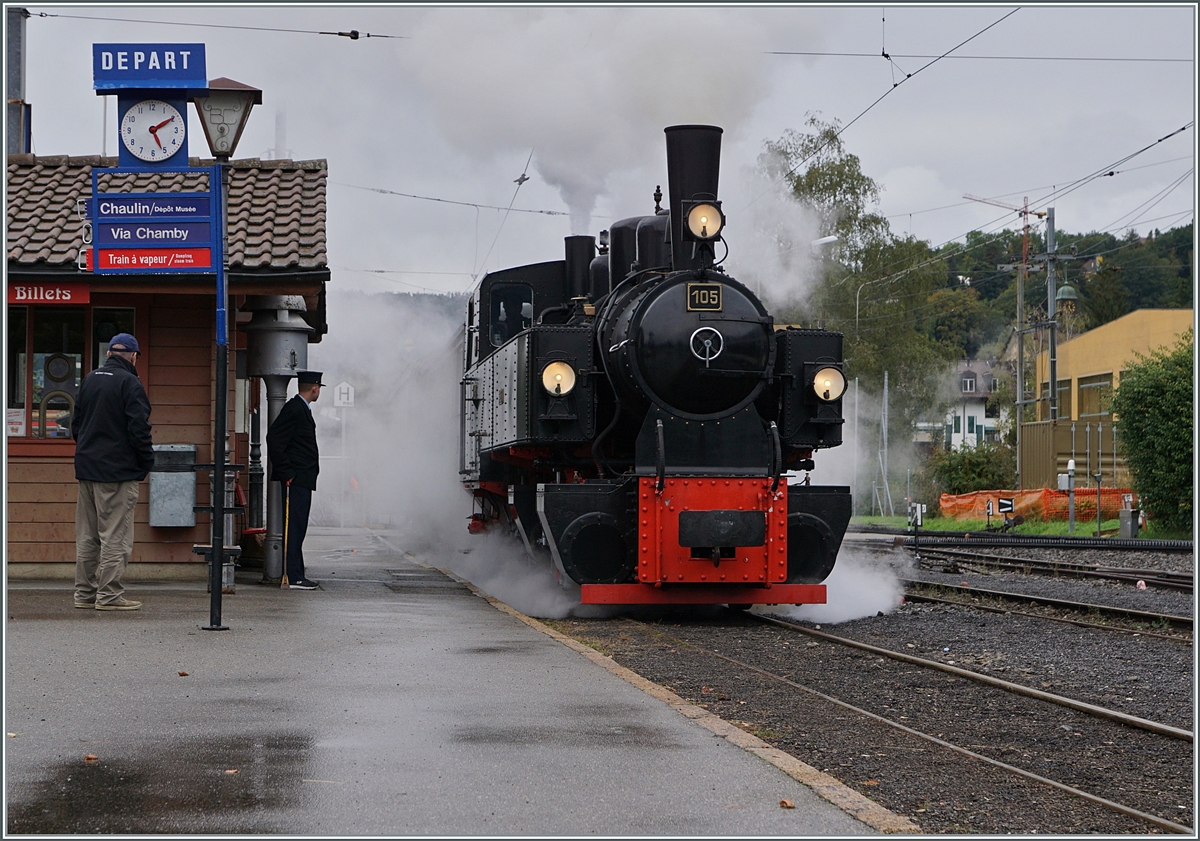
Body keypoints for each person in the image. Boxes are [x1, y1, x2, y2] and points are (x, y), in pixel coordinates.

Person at [71, 333, 155, 611]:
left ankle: (84, 594)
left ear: (108, 354)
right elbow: (139, 429)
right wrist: (145, 462)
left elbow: (76, 424)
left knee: (87, 535)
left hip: (86, 468)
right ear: (133, 357)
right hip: (118, 472)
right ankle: (109, 596)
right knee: (114, 536)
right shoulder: (130, 383)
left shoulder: (90, 379)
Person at [266, 370, 324, 589]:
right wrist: (287, 471)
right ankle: (294, 576)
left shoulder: (300, 408)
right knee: (294, 527)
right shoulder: (295, 409)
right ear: (315, 388)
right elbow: (274, 437)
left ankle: (297, 572)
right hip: (296, 478)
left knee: (298, 527)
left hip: (301, 477)